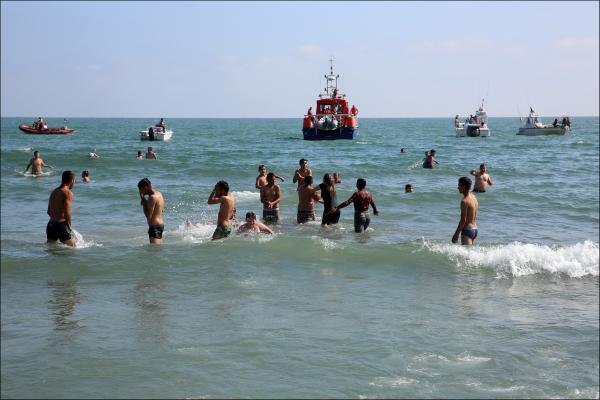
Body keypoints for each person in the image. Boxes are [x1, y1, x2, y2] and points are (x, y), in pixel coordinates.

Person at [46, 170, 77, 247]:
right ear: (72, 180)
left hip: (50, 225)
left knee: (52, 251)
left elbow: (49, 211)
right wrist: (69, 227)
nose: (75, 183)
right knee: (72, 250)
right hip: (61, 225)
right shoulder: (67, 193)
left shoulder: (54, 191)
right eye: (75, 180)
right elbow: (67, 213)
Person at [452, 176, 479, 245]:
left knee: (467, 255)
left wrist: (456, 234)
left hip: (467, 231)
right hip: (475, 229)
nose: (458, 187)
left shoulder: (464, 201)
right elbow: (475, 215)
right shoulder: (474, 197)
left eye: (459, 185)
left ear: (464, 186)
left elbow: (463, 220)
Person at [137, 178, 165, 244]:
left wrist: (144, 202)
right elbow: (162, 210)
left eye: (140, 189)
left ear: (146, 187)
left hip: (154, 226)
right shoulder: (159, 194)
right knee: (158, 249)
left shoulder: (152, 197)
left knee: (154, 251)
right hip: (161, 224)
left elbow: (148, 215)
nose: (140, 191)